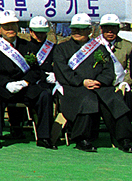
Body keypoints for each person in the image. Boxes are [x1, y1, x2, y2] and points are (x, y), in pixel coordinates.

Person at [52, 13, 132, 152]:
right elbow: (62, 71)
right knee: (87, 99)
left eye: (81, 29)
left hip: (98, 86)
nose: (77, 32)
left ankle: (125, 139)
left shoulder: (99, 48)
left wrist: (99, 81)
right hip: (74, 87)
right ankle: (82, 138)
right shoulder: (62, 48)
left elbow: (108, 70)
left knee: (115, 99)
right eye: (74, 29)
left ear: (90, 30)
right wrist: (82, 82)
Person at [0, 10, 54, 149]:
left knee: (44, 94)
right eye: (6, 26)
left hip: (24, 86)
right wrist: (6, 83)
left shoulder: (28, 46)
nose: (10, 29)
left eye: (13, 25)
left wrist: (24, 82)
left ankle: (44, 136)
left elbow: (35, 70)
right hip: (2, 86)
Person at [99, 14, 132, 109]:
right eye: (106, 28)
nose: (110, 31)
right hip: (100, 87)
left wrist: (126, 82)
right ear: (101, 29)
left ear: (118, 29)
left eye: (113, 28)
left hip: (121, 86)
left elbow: (130, 69)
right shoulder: (93, 45)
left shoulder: (128, 46)